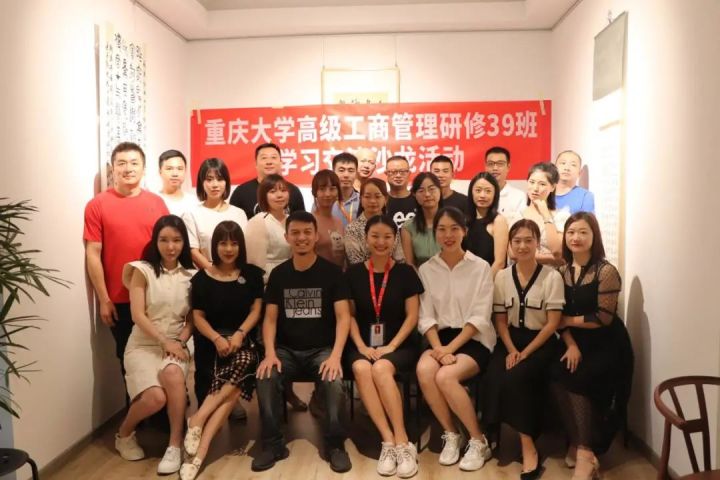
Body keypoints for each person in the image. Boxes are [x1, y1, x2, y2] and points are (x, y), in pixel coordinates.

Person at [252, 212, 352, 473]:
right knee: (266, 376)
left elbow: (343, 317)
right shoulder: (279, 275)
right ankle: (272, 445)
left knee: (333, 381)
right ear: (287, 237)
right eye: (295, 233)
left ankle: (335, 446)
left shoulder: (332, 273)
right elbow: (270, 319)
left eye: (307, 232)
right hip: (286, 351)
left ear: (316, 236)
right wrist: (270, 353)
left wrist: (336, 356)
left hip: (322, 350)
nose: (301, 238)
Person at [550, 212, 632, 480]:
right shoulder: (560, 272)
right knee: (556, 376)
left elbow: (603, 317)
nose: (576, 237)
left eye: (583, 232)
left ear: (594, 236)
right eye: (571, 232)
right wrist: (570, 343)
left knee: (580, 378)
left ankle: (585, 454)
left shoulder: (606, 271)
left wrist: (567, 321)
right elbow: (555, 318)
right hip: (574, 341)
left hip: (606, 342)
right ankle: (578, 441)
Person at [180, 221, 264, 480]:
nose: (229, 249)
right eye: (223, 243)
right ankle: (199, 452)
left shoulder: (252, 274)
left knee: (246, 358)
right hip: (210, 343)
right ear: (214, 246)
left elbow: (256, 310)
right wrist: (217, 338)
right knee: (234, 387)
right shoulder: (202, 278)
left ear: (241, 246)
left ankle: (197, 425)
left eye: (234, 243)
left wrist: (239, 333)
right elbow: (198, 317)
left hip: (243, 341)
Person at [483, 219, 564, 480]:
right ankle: (488, 438)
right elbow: (500, 321)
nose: (522, 246)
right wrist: (511, 350)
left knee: (518, 377)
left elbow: (552, 324)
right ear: (509, 245)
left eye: (529, 240)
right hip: (510, 340)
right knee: (493, 375)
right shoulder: (502, 277)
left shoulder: (552, 277)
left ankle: (529, 448)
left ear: (537, 243)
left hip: (541, 342)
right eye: (516, 241)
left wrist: (525, 353)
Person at [416, 207, 496, 472]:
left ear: (464, 231)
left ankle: (478, 440)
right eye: (441, 229)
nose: (448, 235)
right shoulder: (427, 269)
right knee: (425, 370)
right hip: (440, 339)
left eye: (454, 229)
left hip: (474, 338)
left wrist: (449, 349)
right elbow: (426, 316)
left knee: (445, 377)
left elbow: (480, 316)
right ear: (435, 233)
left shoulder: (480, 267)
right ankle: (452, 434)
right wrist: (440, 349)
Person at [114, 215, 195, 475]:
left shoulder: (192, 275)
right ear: (155, 241)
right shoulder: (142, 270)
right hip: (143, 343)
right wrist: (164, 341)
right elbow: (137, 314)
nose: (171, 246)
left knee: (172, 373)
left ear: (184, 242)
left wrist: (179, 341)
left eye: (177, 240)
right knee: (154, 398)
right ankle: (124, 435)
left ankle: (175, 445)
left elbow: (192, 319)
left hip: (178, 341)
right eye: (164, 240)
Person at [344, 215, 423, 477]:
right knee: (362, 368)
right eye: (375, 236)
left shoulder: (405, 272)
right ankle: (388, 441)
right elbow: (349, 315)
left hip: (400, 344)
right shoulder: (353, 273)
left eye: (387, 237)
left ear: (395, 240)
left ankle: (403, 441)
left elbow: (412, 316)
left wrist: (391, 346)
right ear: (366, 238)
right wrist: (361, 346)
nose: (381, 242)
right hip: (362, 344)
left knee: (380, 369)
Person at [84, 142, 169, 379]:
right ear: (113, 169)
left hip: (156, 295)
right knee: (129, 361)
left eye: (134, 163)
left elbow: (169, 248)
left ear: (144, 168)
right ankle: (135, 403)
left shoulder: (157, 203)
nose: (128, 168)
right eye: (121, 163)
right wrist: (104, 299)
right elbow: (93, 254)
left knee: (162, 356)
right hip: (120, 298)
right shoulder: (97, 204)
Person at [182, 157, 248, 271]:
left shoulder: (239, 213)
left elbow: (244, 247)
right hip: (206, 272)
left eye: (220, 179)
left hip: (236, 272)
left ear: (226, 182)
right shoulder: (191, 214)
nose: (215, 184)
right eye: (209, 179)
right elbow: (193, 250)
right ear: (201, 183)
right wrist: (213, 271)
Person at [507, 162, 569, 266]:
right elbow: (513, 254)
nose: (535, 188)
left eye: (542, 184)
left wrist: (546, 214)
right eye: (532, 182)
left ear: (553, 187)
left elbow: (557, 251)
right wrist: (549, 258)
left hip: (551, 274)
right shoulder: (516, 216)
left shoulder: (561, 216)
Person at [229, 142, 305, 219]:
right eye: (264, 158)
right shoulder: (241, 192)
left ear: (281, 163)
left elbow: (301, 222)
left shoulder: (293, 191)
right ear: (256, 164)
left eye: (273, 157)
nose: (269, 162)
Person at [344, 178, 404, 266]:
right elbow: (355, 262)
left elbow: (400, 259)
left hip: (392, 272)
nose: (372, 201)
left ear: (386, 199)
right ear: (361, 199)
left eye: (377, 196)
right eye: (367, 196)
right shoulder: (352, 229)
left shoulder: (391, 226)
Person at [244, 174, 291, 284]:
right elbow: (255, 264)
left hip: (291, 280)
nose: (279, 195)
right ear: (264, 196)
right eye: (273, 191)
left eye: (283, 190)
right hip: (268, 282)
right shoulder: (258, 221)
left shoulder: (292, 220)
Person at [465, 172, 508, 277]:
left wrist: (483, 283)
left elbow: (499, 263)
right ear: (471, 192)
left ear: (495, 194)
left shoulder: (499, 221)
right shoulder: (465, 220)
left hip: (488, 281)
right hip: (466, 279)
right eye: (478, 190)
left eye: (488, 191)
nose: (482, 195)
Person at [400, 172, 442, 268]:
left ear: (440, 191)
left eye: (432, 189)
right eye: (421, 190)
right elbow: (410, 265)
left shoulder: (452, 223)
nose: (427, 194)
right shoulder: (408, 227)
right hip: (419, 275)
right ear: (414, 194)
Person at [312, 169, 346, 268]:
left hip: (338, 273)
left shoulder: (339, 222)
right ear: (315, 192)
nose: (327, 194)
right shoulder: (310, 222)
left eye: (332, 189)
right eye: (322, 189)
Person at [484, 146, 526, 217]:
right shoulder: (479, 194)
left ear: (508, 167)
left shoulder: (519, 196)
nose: (495, 168)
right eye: (491, 164)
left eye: (500, 164)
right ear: (485, 167)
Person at [157, 149, 197, 216]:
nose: (175, 174)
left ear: (185, 171)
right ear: (160, 171)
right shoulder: (154, 200)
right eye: (169, 169)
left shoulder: (194, 202)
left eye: (180, 169)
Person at [385, 155, 416, 228]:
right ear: (386, 173)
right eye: (393, 172)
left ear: (409, 173)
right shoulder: (380, 201)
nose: (398, 175)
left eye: (402, 172)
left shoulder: (419, 200)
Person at [331, 152, 361, 227]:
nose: (346, 175)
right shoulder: (322, 201)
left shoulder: (362, 201)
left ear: (356, 173)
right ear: (333, 172)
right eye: (341, 170)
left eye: (351, 171)